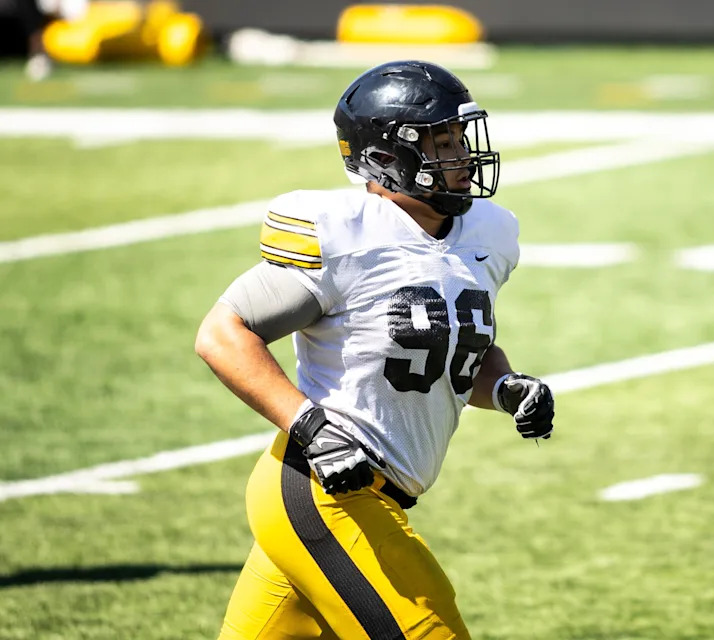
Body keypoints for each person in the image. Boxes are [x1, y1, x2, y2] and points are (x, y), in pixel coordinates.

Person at [195, 60, 555, 639]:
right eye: (440, 142)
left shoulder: (487, 234)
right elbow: (222, 334)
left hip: (364, 493)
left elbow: (447, 340)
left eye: (461, 138)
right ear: (385, 158)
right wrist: (310, 426)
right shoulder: (343, 233)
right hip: (325, 486)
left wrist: (505, 386)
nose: (462, 156)